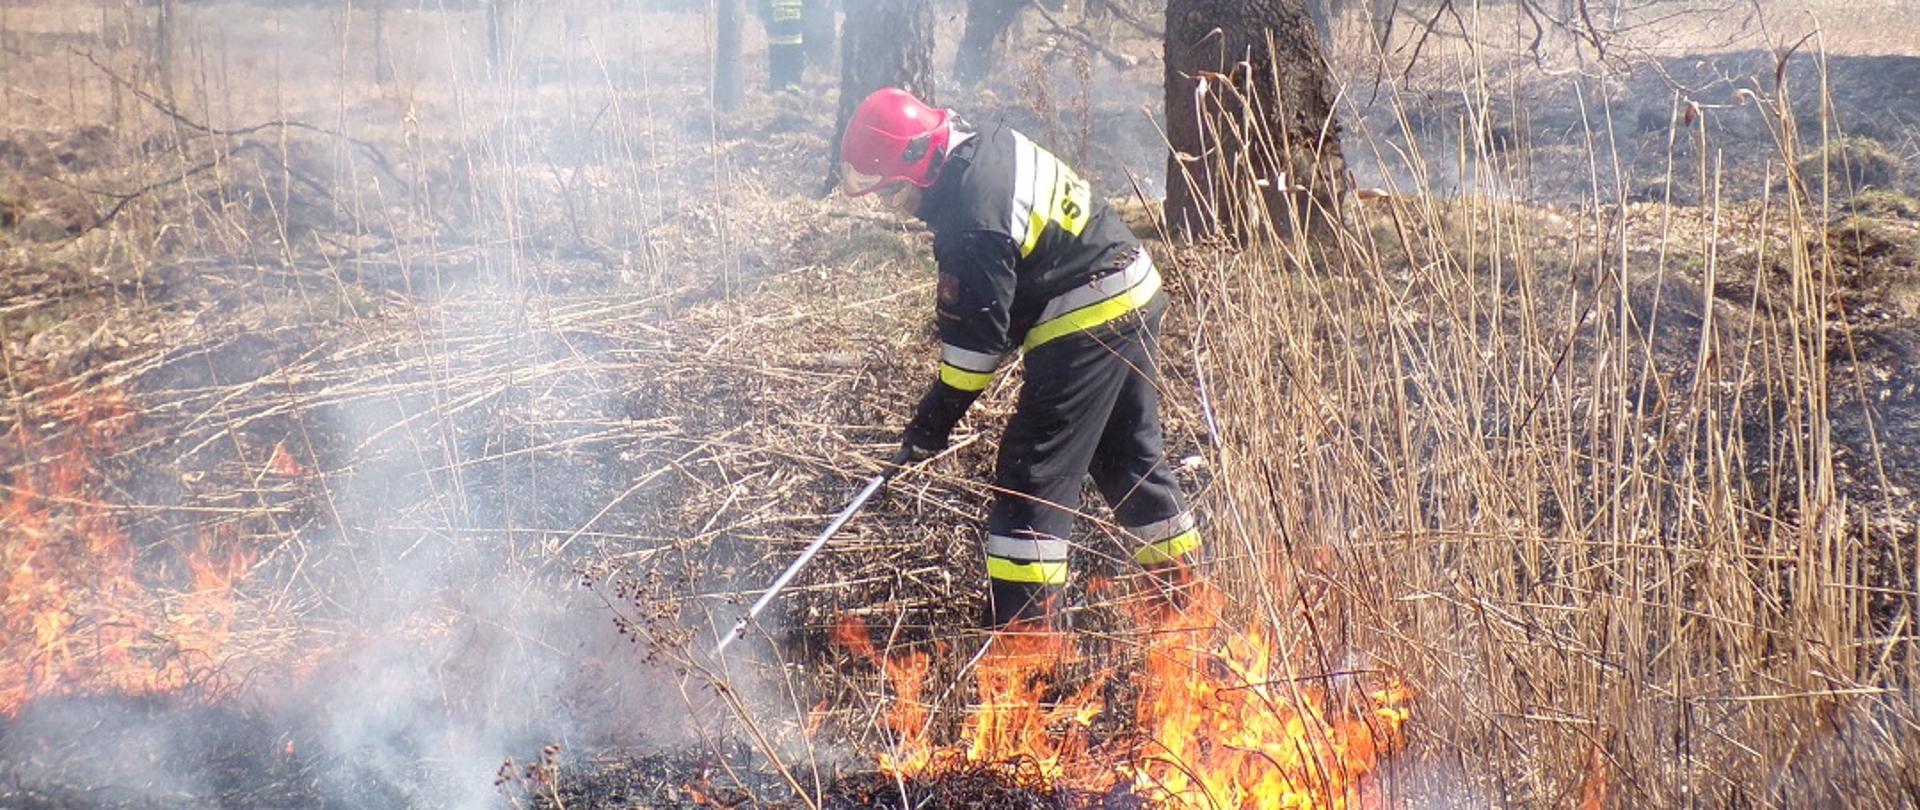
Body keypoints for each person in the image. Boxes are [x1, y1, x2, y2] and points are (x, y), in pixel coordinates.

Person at [837, 87, 1201, 630]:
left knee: (1030, 476)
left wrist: (930, 425)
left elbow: (974, 353)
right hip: (1131, 286)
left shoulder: (971, 218)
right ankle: (1186, 607)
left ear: (918, 160)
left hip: (1088, 314)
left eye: (892, 194)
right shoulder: (984, 147)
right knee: (1126, 457)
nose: (899, 209)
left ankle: (1026, 648)